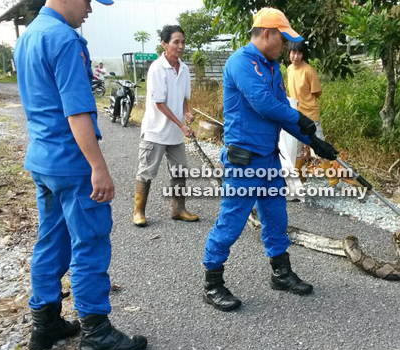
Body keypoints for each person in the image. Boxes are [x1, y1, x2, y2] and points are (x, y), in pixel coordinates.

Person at [14, 0, 147, 350]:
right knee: (88, 242)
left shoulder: (29, 37)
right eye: (89, 0)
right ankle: (96, 334)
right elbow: (77, 110)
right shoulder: (64, 39)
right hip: (72, 164)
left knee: (51, 239)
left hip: (43, 161)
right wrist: (98, 167)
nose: (90, 9)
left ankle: (45, 323)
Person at [202, 7, 338, 312]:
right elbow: (264, 104)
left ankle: (280, 273)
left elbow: (282, 113)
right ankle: (212, 284)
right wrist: (302, 120)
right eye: (284, 39)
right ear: (267, 34)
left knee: (276, 218)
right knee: (231, 223)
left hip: (269, 160)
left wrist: (314, 141)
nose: (288, 46)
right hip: (243, 162)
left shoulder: (274, 67)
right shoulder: (241, 62)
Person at [132, 25, 198, 227]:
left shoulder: (184, 68)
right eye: (176, 42)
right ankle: (139, 211)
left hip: (175, 133)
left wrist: (186, 113)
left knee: (180, 170)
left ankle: (178, 209)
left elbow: (184, 98)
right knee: (147, 172)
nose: (180, 46)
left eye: (183, 42)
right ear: (164, 44)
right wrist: (182, 125)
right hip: (156, 132)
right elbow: (160, 103)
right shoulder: (157, 68)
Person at [287, 42, 338, 186]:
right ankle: (300, 178)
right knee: (296, 147)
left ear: (303, 55)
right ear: (289, 53)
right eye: (293, 53)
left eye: (299, 53)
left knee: (319, 146)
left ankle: (332, 179)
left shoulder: (309, 71)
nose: (296, 56)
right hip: (296, 115)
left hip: (310, 114)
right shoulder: (290, 69)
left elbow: (317, 92)